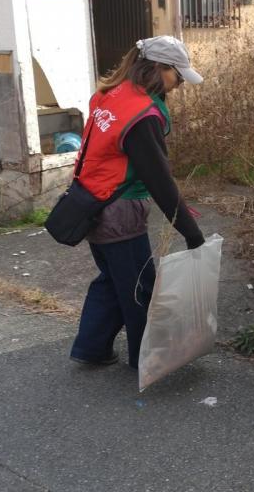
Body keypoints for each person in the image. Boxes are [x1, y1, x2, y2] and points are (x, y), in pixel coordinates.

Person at [69, 36, 205, 369]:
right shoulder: (142, 116)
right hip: (119, 210)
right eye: (176, 75)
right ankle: (146, 361)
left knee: (112, 280)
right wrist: (191, 232)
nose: (179, 84)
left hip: (89, 203)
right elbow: (160, 181)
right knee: (138, 290)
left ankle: (91, 348)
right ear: (158, 69)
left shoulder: (111, 94)